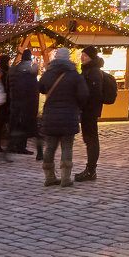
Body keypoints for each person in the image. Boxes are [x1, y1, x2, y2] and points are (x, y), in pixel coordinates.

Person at [39, 47, 88, 188]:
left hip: (51, 116)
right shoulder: (75, 75)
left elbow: (41, 87)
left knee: (50, 147)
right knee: (67, 146)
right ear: (68, 58)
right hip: (69, 115)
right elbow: (83, 95)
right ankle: (65, 178)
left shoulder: (49, 73)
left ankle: (49, 177)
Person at [76, 46, 105, 182]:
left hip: (90, 111)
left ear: (91, 57)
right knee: (89, 139)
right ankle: (90, 169)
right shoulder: (89, 70)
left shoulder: (93, 72)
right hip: (87, 110)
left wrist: (84, 104)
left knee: (91, 139)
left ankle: (91, 170)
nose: (82, 57)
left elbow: (94, 94)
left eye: (85, 55)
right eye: (82, 54)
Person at [8, 49, 41, 157]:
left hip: (14, 100)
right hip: (26, 103)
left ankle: (12, 146)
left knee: (16, 124)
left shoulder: (13, 69)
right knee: (24, 125)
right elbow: (34, 90)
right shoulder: (30, 72)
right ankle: (21, 146)